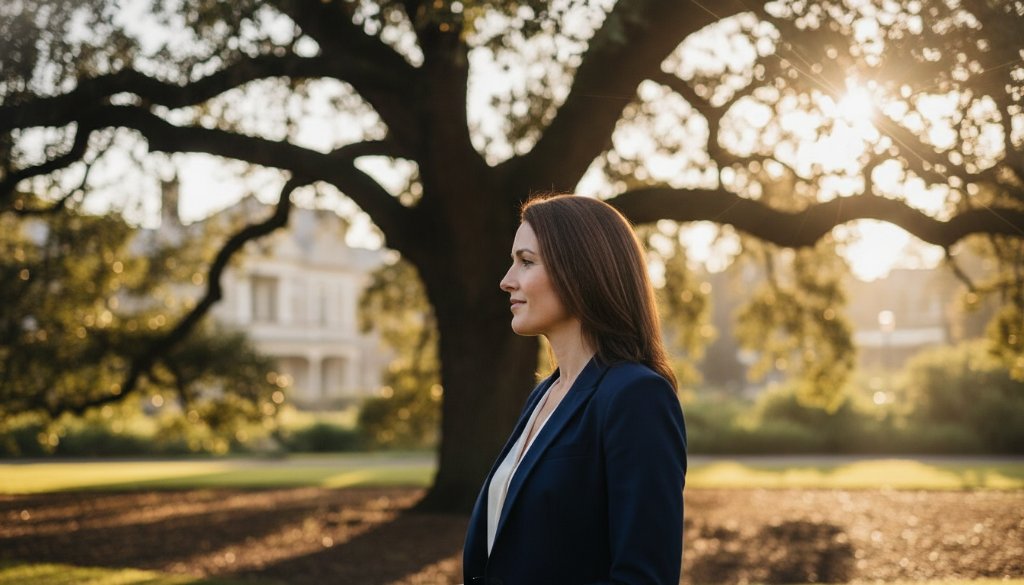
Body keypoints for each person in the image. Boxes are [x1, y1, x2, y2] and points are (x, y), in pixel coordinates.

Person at [462, 194, 688, 585]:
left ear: (580, 271)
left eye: (526, 261)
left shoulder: (636, 397)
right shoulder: (543, 395)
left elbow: (643, 577)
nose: (506, 280)